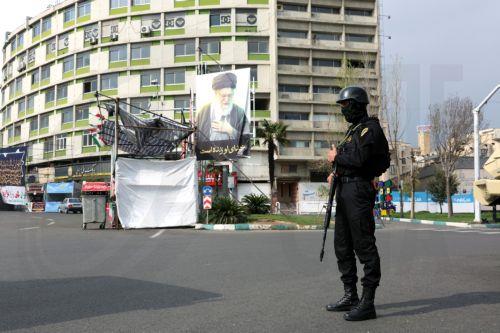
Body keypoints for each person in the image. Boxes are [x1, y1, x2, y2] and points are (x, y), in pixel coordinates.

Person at [325, 86, 390, 321]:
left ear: (356, 104)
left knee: (364, 245)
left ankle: (368, 302)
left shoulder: (370, 129)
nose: (343, 110)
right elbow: (353, 161)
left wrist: (336, 158)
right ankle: (350, 295)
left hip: (358, 192)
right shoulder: (353, 131)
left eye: (345, 105)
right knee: (342, 245)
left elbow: (363, 160)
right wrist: (337, 171)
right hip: (345, 189)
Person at [196, 72, 249, 143]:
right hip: (208, 153)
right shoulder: (203, 112)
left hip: (232, 153)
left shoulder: (240, 113)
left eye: (230, 95)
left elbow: (247, 140)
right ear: (215, 94)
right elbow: (197, 137)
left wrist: (231, 130)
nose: (226, 100)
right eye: (223, 96)